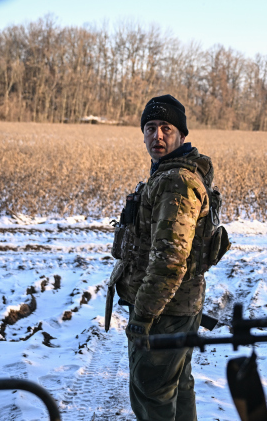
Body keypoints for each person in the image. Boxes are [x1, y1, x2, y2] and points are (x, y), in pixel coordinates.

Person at [110, 94, 213, 421]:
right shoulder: (167, 174)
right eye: (150, 127)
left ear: (181, 134)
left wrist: (142, 317)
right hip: (175, 309)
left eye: (166, 128)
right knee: (177, 387)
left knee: (152, 393)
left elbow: (169, 261)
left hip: (164, 313)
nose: (157, 135)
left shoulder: (177, 182)